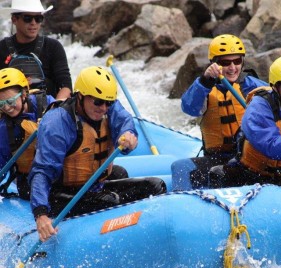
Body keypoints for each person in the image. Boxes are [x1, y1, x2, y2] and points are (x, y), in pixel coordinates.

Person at [28, 66, 167, 242]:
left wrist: (129, 134)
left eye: (108, 103)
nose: (103, 108)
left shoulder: (109, 107)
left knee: (156, 186)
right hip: (61, 194)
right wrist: (41, 213)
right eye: (98, 102)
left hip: (96, 186)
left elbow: (124, 121)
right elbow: (42, 171)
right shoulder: (57, 123)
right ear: (80, 96)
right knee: (111, 201)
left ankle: (154, 237)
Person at [171, 34, 267, 191]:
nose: (232, 67)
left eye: (237, 61)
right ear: (213, 63)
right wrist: (205, 81)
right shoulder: (204, 88)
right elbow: (189, 108)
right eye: (225, 62)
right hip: (215, 158)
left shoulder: (254, 86)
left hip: (248, 159)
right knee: (181, 168)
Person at [209, 55, 281, 191]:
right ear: (275, 87)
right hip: (249, 174)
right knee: (217, 173)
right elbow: (271, 147)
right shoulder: (259, 107)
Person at [0, 67, 55, 198]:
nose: (7, 108)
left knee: (113, 174)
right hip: (30, 182)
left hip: (59, 170)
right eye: (1, 104)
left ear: (24, 94)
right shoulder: (4, 128)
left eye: (10, 101)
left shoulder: (46, 103)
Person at [0, 0, 72, 99]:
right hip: (8, 110)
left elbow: (66, 86)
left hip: (46, 109)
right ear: (14, 19)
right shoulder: (1, 48)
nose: (33, 23)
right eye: (27, 18)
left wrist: (54, 108)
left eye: (38, 18)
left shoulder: (53, 47)